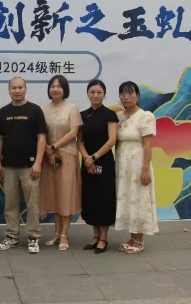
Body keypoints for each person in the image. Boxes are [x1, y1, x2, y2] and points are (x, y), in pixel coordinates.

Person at [0, 77, 48, 254]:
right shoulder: (3, 112)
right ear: (9, 90)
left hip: (30, 166)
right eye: (13, 88)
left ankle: (33, 237)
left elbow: (41, 138)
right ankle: (12, 236)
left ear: (25, 89)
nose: (17, 91)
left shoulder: (35, 110)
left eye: (20, 88)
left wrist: (38, 163)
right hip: (8, 166)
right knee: (10, 203)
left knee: (32, 203)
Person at [115, 81, 159, 255]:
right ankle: (132, 237)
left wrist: (145, 169)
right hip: (122, 165)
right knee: (128, 198)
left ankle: (139, 240)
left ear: (137, 96)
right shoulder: (119, 117)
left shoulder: (145, 116)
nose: (126, 97)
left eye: (130, 93)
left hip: (138, 164)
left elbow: (148, 145)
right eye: (122, 94)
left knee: (139, 198)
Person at [40, 75, 82, 252]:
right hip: (49, 158)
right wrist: (48, 151)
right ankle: (57, 232)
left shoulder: (72, 107)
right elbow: (41, 133)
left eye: (59, 86)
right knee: (55, 195)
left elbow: (73, 133)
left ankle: (65, 234)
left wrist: (54, 147)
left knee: (66, 195)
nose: (55, 89)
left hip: (67, 155)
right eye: (52, 86)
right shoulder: (43, 108)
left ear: (65, 89)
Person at [78, 79, 118, 254]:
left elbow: (112, 140)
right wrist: (87, 158)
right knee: (91, 198)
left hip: (104, 161)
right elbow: (79, 140)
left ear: (104, 94)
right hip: (87, 163)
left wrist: (94, 157)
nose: (95, 95)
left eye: (99, 92)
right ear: (88, 93)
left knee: (104, 199)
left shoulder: (110, 115)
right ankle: (95, 236)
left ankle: (104, 238)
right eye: (92, 92)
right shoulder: (82, 115)